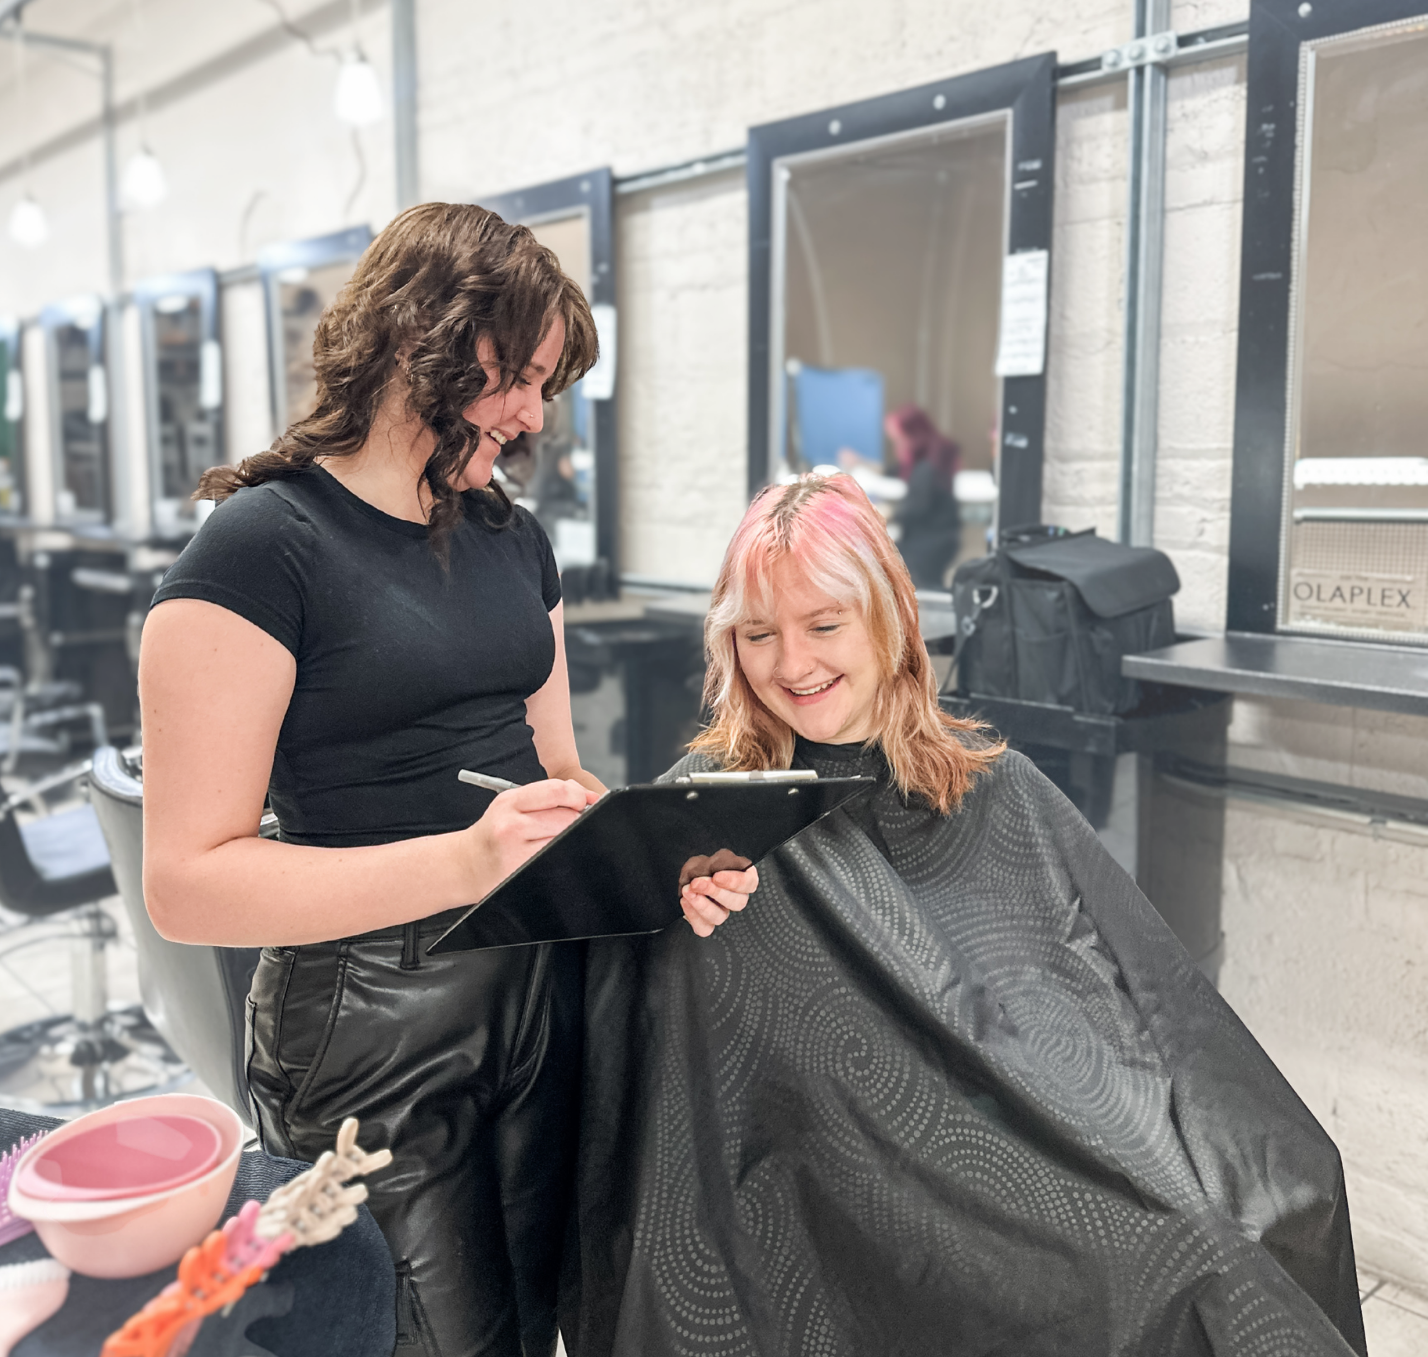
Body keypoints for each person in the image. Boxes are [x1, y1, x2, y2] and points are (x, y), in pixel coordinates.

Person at [138, 202, 754, 1357]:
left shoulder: (513, 540)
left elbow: (556, 768)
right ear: (416, 339)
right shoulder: (260, 548)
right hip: (371, 1024)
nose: (531, 415)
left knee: (540, 1325)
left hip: (538, 990)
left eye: (545, 385)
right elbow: (186, 881)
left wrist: (652, 858)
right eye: (516, 377)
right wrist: (466, 860)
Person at [562, 473, 1366, 1357]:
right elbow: (644, 1065)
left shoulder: (996, 786)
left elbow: (1131, 1001)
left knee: (1279, 1195)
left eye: (824, 625)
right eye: (759, 634)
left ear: (889, 620)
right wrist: (662, 923)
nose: (792, 665)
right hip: (859, 1188)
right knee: (1167, 1275)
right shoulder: (702, 820)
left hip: (1037, 1135)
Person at [885, 402, 961, 588]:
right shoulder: (930, 459)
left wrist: (887, 515)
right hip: (937, 539)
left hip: (929, 544)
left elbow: (917, 507)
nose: (898, 447)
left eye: (900, 440)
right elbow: (895, 471)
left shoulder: (927, 468)